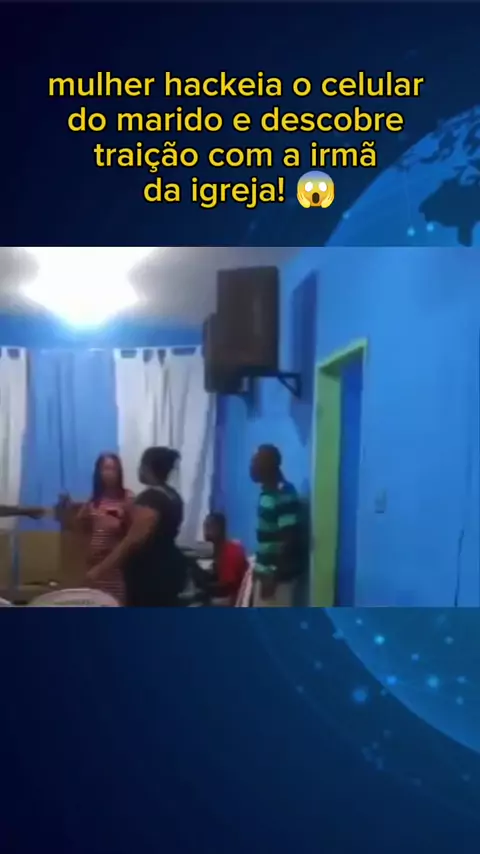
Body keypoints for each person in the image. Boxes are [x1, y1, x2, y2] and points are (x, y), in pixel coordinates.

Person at [87, 446, 188, 607]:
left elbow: (132, 540)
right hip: (167, 568)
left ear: (148, 468)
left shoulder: (151, 498)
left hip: (150, 575)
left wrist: (101, 569)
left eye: (141, 464)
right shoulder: (173, 496)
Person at [66, 454, 133, 603]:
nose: (109, 473)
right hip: (93, 564)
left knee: (114, 603)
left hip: (115, 565)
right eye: (106, 469)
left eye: (114, 469)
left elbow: (133, 534)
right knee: (95, 603)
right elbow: (78, 524)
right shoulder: (95, 499)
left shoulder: (127, 498)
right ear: (99, 472)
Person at [250, 444, 303, 608]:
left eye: (256, 461)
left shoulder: (283, 493)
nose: (252, 467)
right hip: (265, 574)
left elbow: (290, 538)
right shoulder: (267, 492)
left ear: (270, 465)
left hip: (277, 580)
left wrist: (273, 574)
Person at [195, 512, 248, 605]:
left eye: (209, 526)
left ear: (219, 528)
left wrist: (204, 586)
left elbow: (226, 588)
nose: (205, 531)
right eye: (205, 526)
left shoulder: (230, 551)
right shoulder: (218, 551)